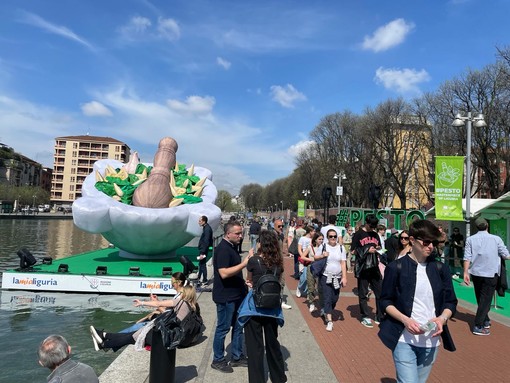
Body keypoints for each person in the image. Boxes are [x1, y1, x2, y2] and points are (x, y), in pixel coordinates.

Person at [378, 219, 457, 383]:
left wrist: (442, 318)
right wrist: (405, 320)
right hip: (403, 339)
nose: (430, 246)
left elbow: (450, 302)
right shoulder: (396, 267)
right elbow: (385, 301)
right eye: (426, 242)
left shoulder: (440, 269)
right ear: (412, 241)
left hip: (431, 341)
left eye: (433, 243)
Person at [89, 273, 196, 352]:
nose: (171, 284)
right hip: (171, 334)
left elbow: (159, 305)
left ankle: (104, 342)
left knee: (132, 335)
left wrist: (142, 303)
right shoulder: (190, 306)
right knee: (132, 335)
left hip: (167, 336)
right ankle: (105, 339)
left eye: (172, 282)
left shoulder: (181, 302)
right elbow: (168, 312)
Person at [239, 230, 287, 383]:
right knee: (272, 344)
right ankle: (278, 376)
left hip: (255, 307)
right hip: (272, 309)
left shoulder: (253, 261)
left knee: (255, 347)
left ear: (261, 243)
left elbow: (249, 280)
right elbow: (278, 281)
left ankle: (257, 379)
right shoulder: (278, 263)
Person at [211, 221, 251, 373]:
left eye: (241, 233)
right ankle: (218, 359)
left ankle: (237, 356)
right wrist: (244, 263)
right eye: (238, 233)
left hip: (236, 295)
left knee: (238, 326)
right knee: (223, 328)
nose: (241, 236)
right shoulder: (222, 249)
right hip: (225, 297)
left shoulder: (232, 247)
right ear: (228, 234)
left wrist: (244, 283)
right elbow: (224, 273)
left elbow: (233, 272)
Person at [463, 217, 510, 335]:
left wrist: (465, 272)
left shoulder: (470, 239)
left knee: (480, 298)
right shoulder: (496, 239)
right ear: (487, 226)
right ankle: (478, 325)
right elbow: (506, 255)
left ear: (477, 226)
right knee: (486, 299)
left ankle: (485, 320)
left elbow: (467, 257)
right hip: (491, 272)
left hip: (476, 272)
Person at [351, 214, 383, 328]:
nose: (373, 228)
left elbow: (379, 246)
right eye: (371, 225)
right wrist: (367, 250)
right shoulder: (358, 234)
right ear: (366, 223)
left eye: (375, 226)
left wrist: (378, 248)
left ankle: (380, 315)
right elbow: (353, 251)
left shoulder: (375, 234)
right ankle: (365, 316)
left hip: (374, 266)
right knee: (363, 292)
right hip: (363, 267)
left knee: (380, 292)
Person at [319, 229, 347, 331]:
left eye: (335, 236)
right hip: (326, 276)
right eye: (331, 236)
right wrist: (323, 255)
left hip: (337, 277)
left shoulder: (341, 248)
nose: (333, 238)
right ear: (327, 237)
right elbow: (316, 257)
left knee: (335, 298)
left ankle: (326, 310)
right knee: (327, 297)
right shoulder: (323, 246)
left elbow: (343, 262)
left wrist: (344, 277)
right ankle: (329, 321)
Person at [273, 218, 292, 309]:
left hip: (279, 261)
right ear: (274, 226)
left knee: (281, 281)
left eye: (282, 226)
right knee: (279, 281)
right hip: (275, 262)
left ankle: (278, 300)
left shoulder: (279, 235)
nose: (281, 227)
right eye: (279, 226)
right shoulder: (272, 236)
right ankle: (278, 300)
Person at [307, 232, 325, 313]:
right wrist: (312, 259)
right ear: (315, 239)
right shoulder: (310, 247)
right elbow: (303, 256)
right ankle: (311, 302)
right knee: (311, 286)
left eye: (322, 239)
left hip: (320, 269)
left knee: (320, 288)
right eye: (319, 239)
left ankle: (322, 306)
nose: (321, 241)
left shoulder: (325, 248)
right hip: (311, 267)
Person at [296, 226, 315, 298]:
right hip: (303, 258)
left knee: (309, 277)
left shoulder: (313, 239)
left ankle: (307, 291)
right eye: (313, 231)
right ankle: (299, 287)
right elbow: (299, 248)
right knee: (303, 277)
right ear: (310, 232)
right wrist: (302, 256)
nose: (314, 232)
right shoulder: (302, 238)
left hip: (311, 259)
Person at [197, 215, 213, 284]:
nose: (199, 222)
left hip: (203, 250)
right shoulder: (206, 228)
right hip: (203, 249)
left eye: (200, 221)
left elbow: (206, 241)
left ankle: (205, 279)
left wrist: (203, 252)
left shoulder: (207, 229)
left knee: (202, 264)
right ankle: (199, 277)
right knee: (201, 264)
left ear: (204, 221)